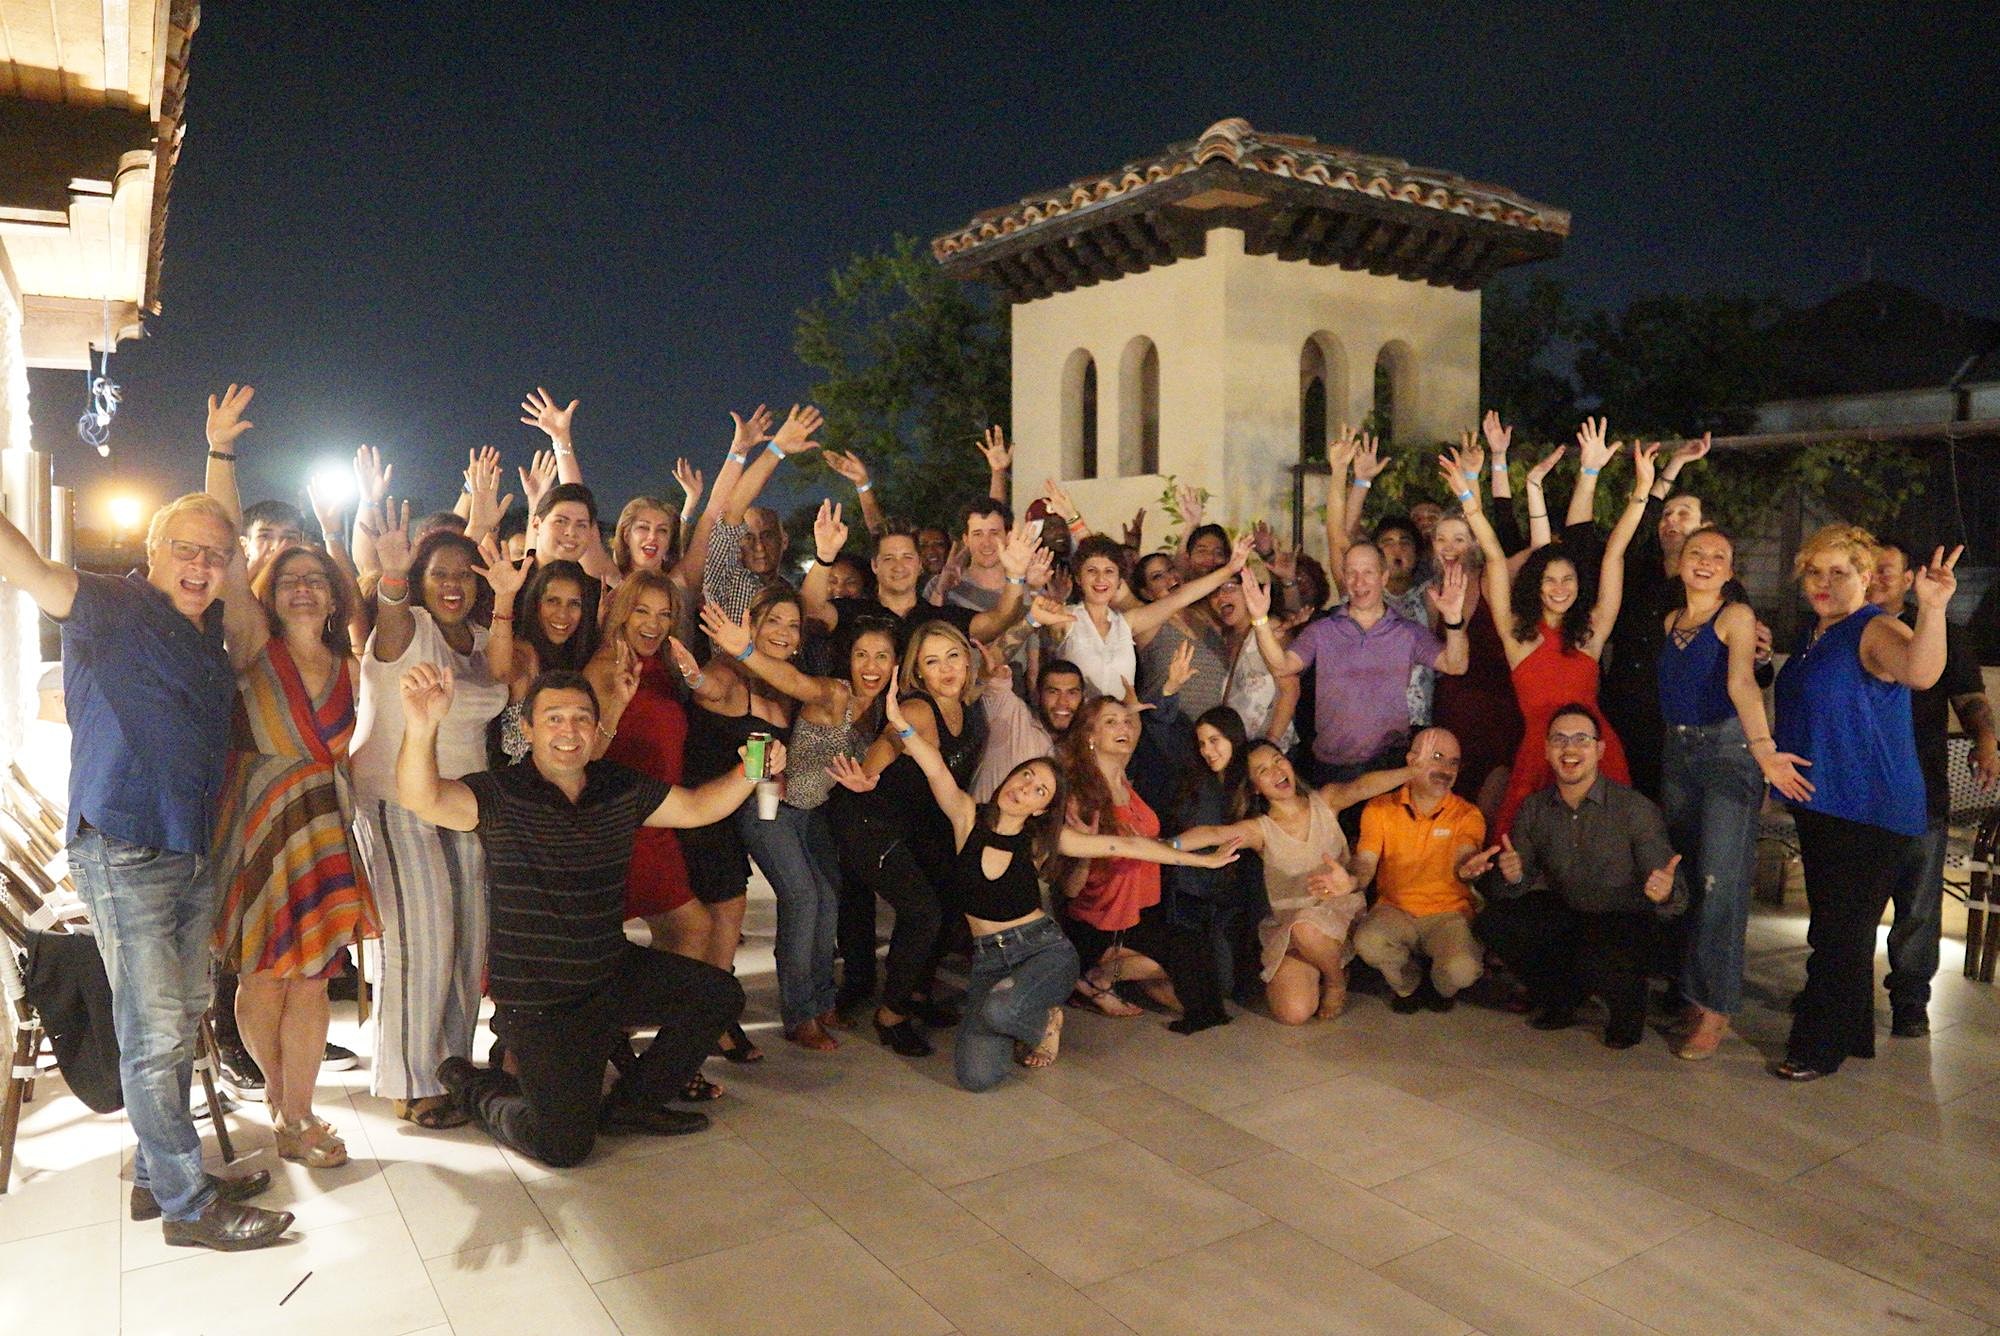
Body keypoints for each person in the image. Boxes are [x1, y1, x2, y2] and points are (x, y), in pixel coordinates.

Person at [0, 483, 291, 1249]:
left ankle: (160, 1177)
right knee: (155, 1029)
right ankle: (187, 1206)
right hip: (123, 842)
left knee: (183, 1013)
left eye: (215, 555)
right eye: (185, 549)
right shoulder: (109, 604)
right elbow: (29, 568)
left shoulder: (209, 628)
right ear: (153, 552)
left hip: (189, 845)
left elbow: (248, 620)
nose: (200, 565)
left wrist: (222, 462)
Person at [401, 666, 752, 1168]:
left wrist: (751, 770)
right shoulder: (500, 793)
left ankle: (633, 1106)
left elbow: (697, 807)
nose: (569, 731)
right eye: (554, 718)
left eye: (581, 718)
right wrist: (421, 727)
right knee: (563, 1146)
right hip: (541, 1001)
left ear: (596, 726)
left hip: (609, 972)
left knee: (718, 993)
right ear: (528, 729)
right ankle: (475, 1086)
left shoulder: (618, 785)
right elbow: (424, 798)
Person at [877, 673, 1240, 1090]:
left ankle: (1043, 1016)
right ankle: (1020, 1011)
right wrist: (899, 722)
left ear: (1041, 809)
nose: (1025, 788)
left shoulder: (1043, 841)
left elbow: (1128, 846)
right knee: (976, 1078)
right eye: (1026, 776)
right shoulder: (966, 817)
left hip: (1042, 951)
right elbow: (934, 766)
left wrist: (1201, 861)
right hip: (988, 959)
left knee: (999, 1012)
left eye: (1039, 791)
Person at [211, 544, 377, 1169]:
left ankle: (297, 1110)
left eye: (315, 580)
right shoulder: (254, 645)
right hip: (255, 824)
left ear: (335, 597)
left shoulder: (350, 669)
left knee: (312, 977)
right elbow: (229, 564)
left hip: (320, 826)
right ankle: (284, 1101)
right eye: (288, 580)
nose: (303, 588)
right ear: (269, 594)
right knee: (261, 973)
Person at [347, 504, 509, 1127]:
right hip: (395, 798)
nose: (453, 584)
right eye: (440, 573)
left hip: (463, 802)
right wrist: (391, 576)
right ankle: (409, 1081)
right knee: (422, 939)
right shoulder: (404, 625)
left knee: (468, 941)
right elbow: (389, 611)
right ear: (419, 580)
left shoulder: (479, 640)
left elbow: (506, 678)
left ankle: (453, 1067)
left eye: (465, 574)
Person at [1773, 528, 1954, 1081]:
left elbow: (1921, 672)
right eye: (1814, 572)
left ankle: (1817, 1045)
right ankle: (1852, 1034)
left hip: (1870, 807)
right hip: (1824, 802)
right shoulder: (1815, 634)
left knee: (1839, 934)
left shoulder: (1875, 628)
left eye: (1839, 572)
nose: (1824, 582)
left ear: (1865, 577)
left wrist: (1933, 609)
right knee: (1837, 926)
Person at [697, 600, 900, 1051]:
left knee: (828, 898)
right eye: (862, 655)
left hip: (813, 815)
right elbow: (794, 681)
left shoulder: (883, 711)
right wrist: (744, 650)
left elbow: (893, 742)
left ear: (895, 664)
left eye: (882, 656)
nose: (871, 667)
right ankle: (800, 1014)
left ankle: (822, 1000)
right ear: (848, 659)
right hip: (771, 808)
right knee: (804, 898)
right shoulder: (834, 693)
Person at [1444, 425, 1650, 836]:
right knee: (1526, 848)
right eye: (1550, 580)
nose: (1560, 588)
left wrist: (1642, 488)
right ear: (1535, 586)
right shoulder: (1518, 635)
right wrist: (1468, 498)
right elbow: (1494, 556)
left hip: (1597, 752)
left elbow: (1614, 553)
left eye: (1568, 580)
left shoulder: (1591, 632)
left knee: (1602, 844)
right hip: (1538, 754)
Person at [1656, 526, 1813, 1060]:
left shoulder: (1736, 617)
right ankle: (1691, 993)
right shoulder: (1670, 622)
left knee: (1721, 883)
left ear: (1730, 571)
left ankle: (1716, 1007)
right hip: (1678, 753)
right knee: (1687, 878)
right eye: (1696, 553)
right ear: (1680, 562)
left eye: (1717, 556)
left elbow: (1742, 683)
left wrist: (1764, 752)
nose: (1705, 562)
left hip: (1728, 753)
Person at [1474, 705, 1687, 1049]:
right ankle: (1561, 998)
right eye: (1559, 740)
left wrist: (1663, 893)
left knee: (1606, 953)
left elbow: (1673, 894)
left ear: (1599, 750)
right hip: (1570, 909)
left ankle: (1627, 1008)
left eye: (1581, 740)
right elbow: (1516, 884)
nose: (1569, 749)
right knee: (1496, 922)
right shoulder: (1535, 808)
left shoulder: (1634, 809)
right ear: (1546, 750)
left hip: (1623, 917)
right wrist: (1512, 877)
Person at [828, 621, 991, 1053]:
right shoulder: (918, 709)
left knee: (948, 901)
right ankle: (891, 1014)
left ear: (967, 659)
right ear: (918, 671)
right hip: (870, 820)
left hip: (919, 824)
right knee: (923, 912)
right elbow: (890, 739)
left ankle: (916, 993)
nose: (946, 669)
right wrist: (868, 772)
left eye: (952, 657)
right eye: (932, 662)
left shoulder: (968, 702)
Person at [1173, 743, 1410, 1024]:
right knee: (1292, 1013)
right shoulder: (1260, 829)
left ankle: (1334, 981)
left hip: (1339, 911)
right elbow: (1214, 834)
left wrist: (1413, 771)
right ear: (1255, 787)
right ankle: (1328, 963)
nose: (1276, 771)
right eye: (1263, 770)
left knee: (1305, 928)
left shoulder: (1326, 800)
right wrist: (1165, 845)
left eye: (1278, 760)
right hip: (1292, 925)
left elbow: (1361, 787)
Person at [1870, 538, 2000, 1038]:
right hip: (1855, 791)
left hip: (1919, 785)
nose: (1876, 577)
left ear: (1909, 579)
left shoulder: (1941, 629)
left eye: (1887, 569)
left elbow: (1969, 697)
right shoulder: (1841, 627)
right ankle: (1835, 986)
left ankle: (1909, 999)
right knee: (1847, 902)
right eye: (1868, 568)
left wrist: (1985, 739)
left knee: (1918, 907)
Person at [669, 584, 801, 1071]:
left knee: (725, 914)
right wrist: (694, 675)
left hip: (732, 811)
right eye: (773, 621)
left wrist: (778, 774)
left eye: (793, 625)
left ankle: (713, 1011)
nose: (783, 633)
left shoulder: (783, 687)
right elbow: (709, 687)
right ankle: (710, 1018)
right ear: (752, 627)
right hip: (697, 808)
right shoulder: (728, 674)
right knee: (720, 913)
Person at [1053, 697, 1235, 1031]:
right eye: (1110, 722)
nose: (1123, 728)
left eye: (1125, 722)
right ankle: (1095, 974)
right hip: (1101, 922)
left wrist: (1137, 711)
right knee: (1184, 968)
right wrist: (1085, 853)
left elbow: (1150, 844)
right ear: (1090, 736)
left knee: (1200, 984)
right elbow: (1070, 888)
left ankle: (1105, 975)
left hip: (1140, 913)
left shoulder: (1124, 779)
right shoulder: (1081, 794)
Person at [1242, 556, 1468, 791]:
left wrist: (1453, 620)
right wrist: (1259, 619)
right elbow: (1282, 666)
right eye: (1352, 573)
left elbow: (1456, 665)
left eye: (1368, 572)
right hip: (1331, 768)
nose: (1359, 582)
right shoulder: (1322, 629)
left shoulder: (1407, 631)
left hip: (1388, 763)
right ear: (1344, 578)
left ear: (1383, 577)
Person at [1578, 433, 1716, 799]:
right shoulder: (1640, 569)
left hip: (1675, 721)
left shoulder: (1716, 588)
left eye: (1683, 514)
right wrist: (1673, 465)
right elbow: (1639, 521)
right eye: (1667, 515)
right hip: (1622, 708)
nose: (1671, 521)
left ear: (1704, 528)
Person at [589, 571, 698, 953]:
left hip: (658, 818)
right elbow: (587, 753)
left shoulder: (656, 664)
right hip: (629, 821)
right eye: (642, 611)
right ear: (622, 613)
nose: (654, 623)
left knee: (684, 931)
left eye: (664, 614)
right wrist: (616, 705)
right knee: (692, 927)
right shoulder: (606, 666)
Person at [1351, 728, 1489, 1012]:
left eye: (1453, 762)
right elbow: (1365, 862)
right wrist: (1351, 880)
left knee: (1462, 971)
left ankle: (1439, 985)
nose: (1446, 770)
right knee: (1368, 942)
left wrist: (1469, 868)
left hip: (1449, 913)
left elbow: (1466, 856)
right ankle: (1409, 985)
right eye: (1437, 757)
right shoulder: (1380, 807)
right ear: (1411, 759)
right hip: (1395, 909)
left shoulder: (1467, 814)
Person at [1046, 517, 1255, 701]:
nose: (1101, 578)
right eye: (1092, 571)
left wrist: (1231, 568)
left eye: (1109, 572)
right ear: (1079, 578)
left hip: (1127, 726)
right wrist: (1073, 519)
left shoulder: (1127, 623)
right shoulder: (1066, 617)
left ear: (1118, 580)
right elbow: (1096, 557)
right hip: (1086, 725)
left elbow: (1181, 597)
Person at [800, 505, 1034, 655]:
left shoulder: (939, 619)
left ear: (920, 565)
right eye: (889, 558)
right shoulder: (852, 611)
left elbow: (999, 620)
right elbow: (810, 610)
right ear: (874, 565)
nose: (898, 566)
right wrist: (825, 555)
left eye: (907, 557)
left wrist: (1015, 575)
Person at [1425, 510, 1523, 822]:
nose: (1449, 547)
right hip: (1451, 708)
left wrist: (1471, 499)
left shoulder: (1491, 579)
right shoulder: (1432, 593)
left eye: (1459, 539)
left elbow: (1539, 546)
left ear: (1475, 543)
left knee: (1490, 805)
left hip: (1496, 709)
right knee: (1452, 802)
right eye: (1441, 539)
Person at [483, 553, 602, 764]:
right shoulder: (525, 652)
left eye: (574, 604)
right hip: (520, 779)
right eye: (552, 601)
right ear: (536, 604)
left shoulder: (582, 656)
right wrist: (504, 598)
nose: (563, 614)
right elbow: (500, 671)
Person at [1209, 576, 1298, 750]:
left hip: (1274, 749)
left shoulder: (1270, 629)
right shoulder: (1225, 640)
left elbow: (1291, 688)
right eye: (1213, 592)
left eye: (1229, 587)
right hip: (1242, 749)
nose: (1221, 596)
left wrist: (1271, 743)